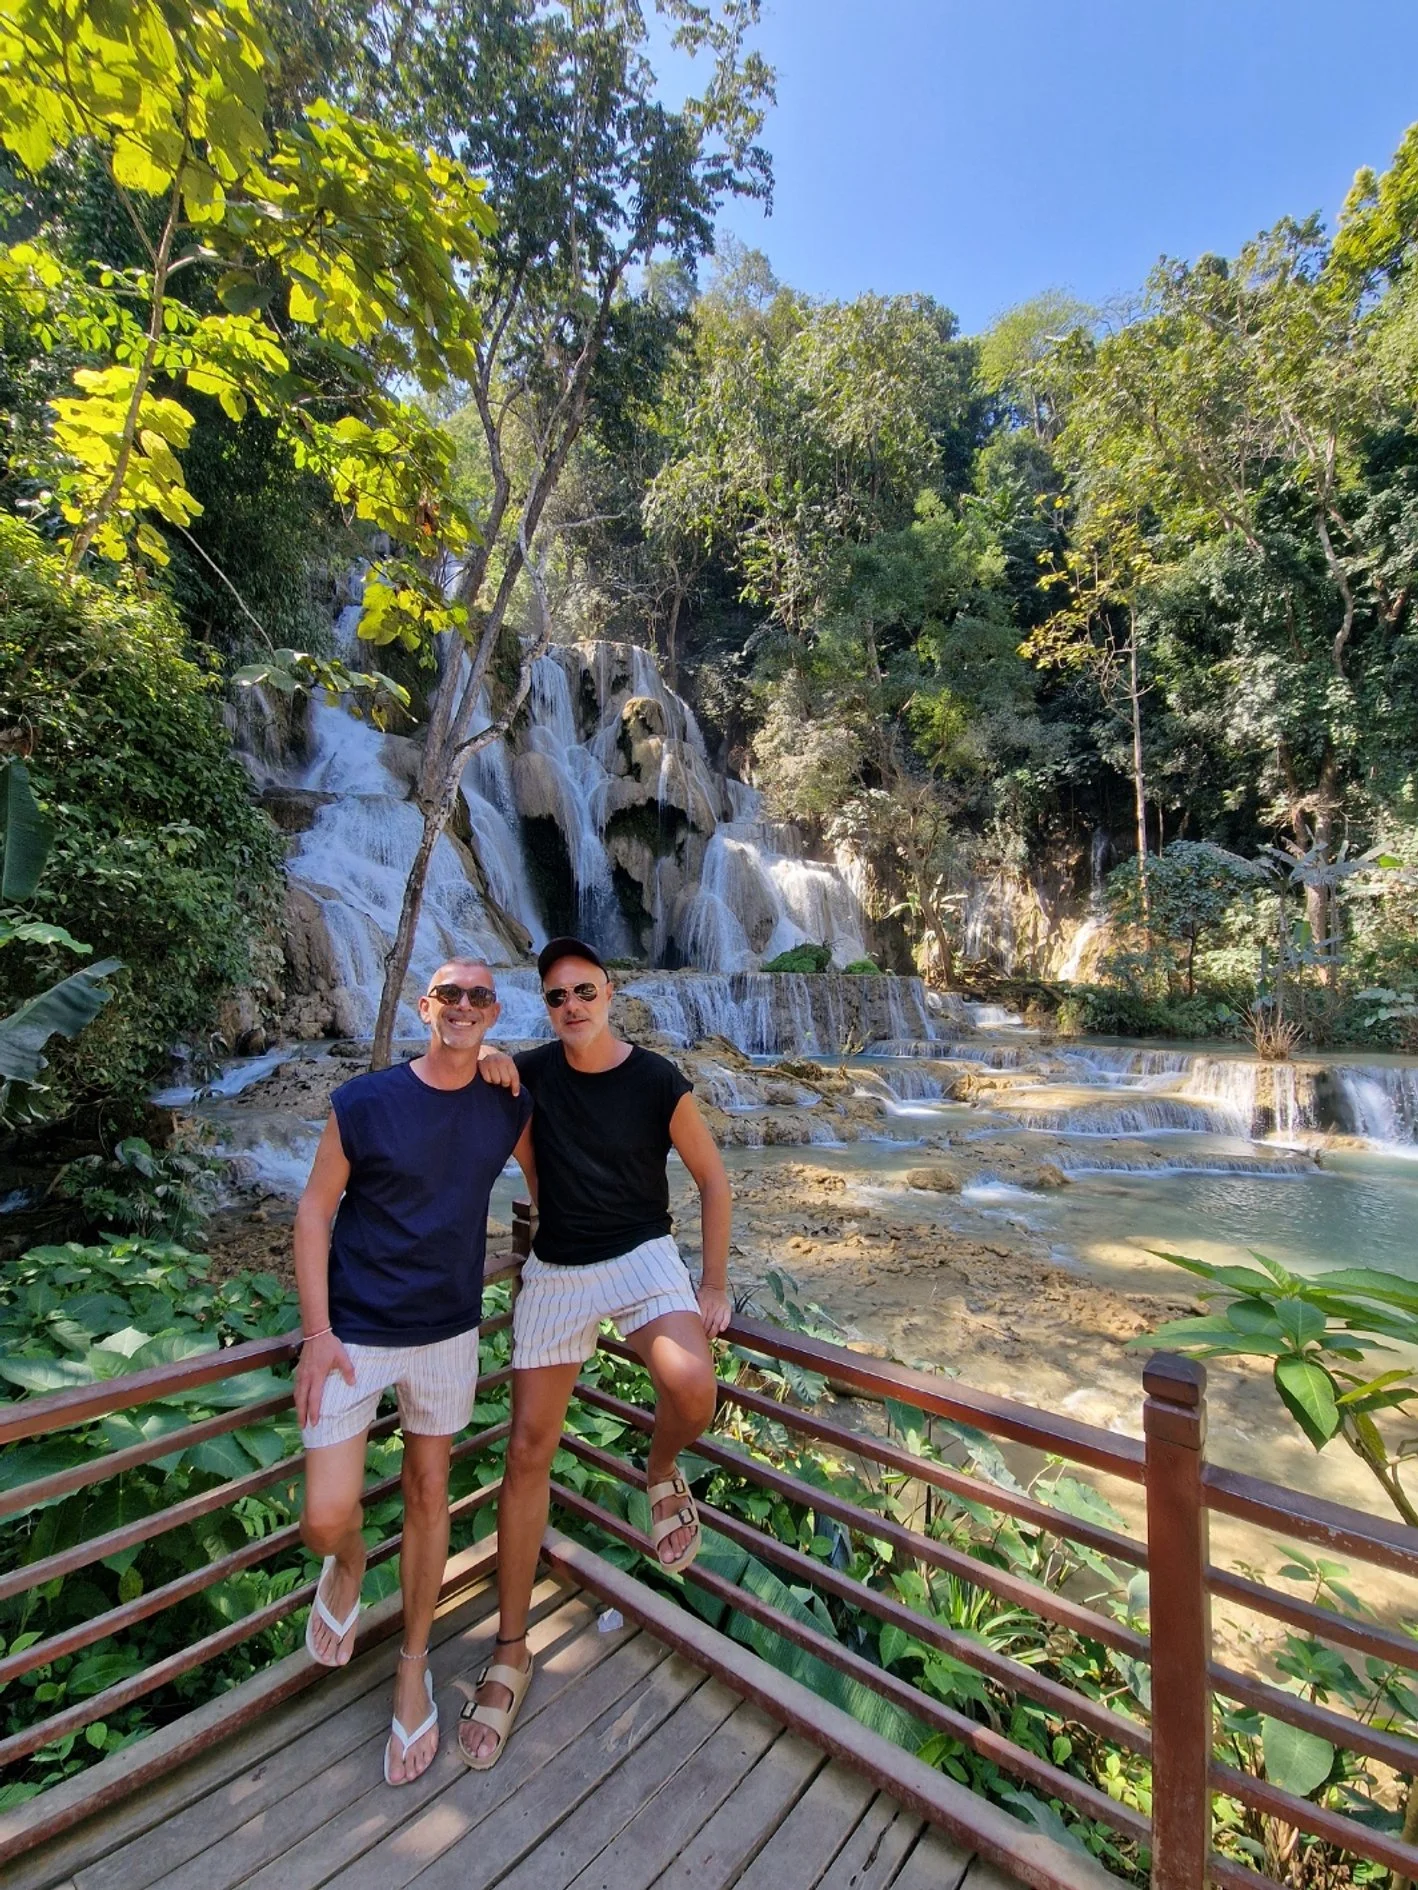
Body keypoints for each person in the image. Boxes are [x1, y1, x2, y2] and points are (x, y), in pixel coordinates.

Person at [458, 936, 732, 1769]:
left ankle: (659, 1471)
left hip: (644, 1256)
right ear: (545, 1007)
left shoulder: (656, 1081)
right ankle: (510, 1652)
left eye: (584, 991)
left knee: (693, 1388)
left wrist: (713, 1284)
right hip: (557, 1268)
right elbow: (469, 1095)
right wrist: (489, 1059)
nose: (572, 1005)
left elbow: (713, 1180)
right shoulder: (529, 1074)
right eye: (556, 996)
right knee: (526, 1453)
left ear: (610, 993)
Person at [292, 957, 533, 1787]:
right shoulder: (363, 1103)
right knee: (325, 1517)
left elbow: (552, 1173)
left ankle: (413, 1664)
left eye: (478, 997)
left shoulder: (507, 1101)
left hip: (448, 1332)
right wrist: (316, 1333)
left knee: (430, 1493)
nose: (463, 1006)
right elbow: (315, 1211)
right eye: (449, 995)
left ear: (493, 1013)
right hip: (354, 1333)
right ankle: (350, 1562)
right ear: (426, 1007)